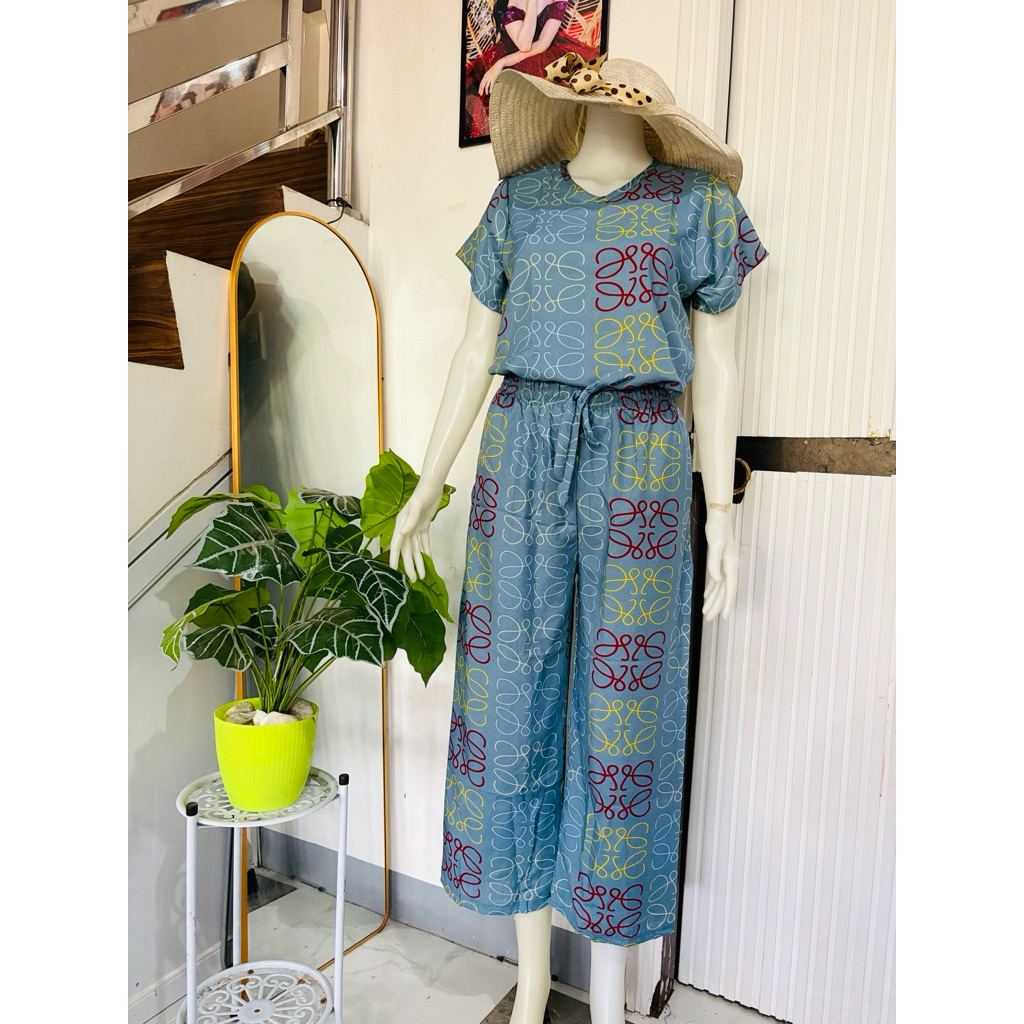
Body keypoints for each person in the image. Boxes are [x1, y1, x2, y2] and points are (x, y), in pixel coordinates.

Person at [463, 0, 597, 139]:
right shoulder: (511, 2)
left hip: (544, 54)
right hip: (512, 54)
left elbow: (542, 44)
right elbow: (524, 44)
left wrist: (502, 62)